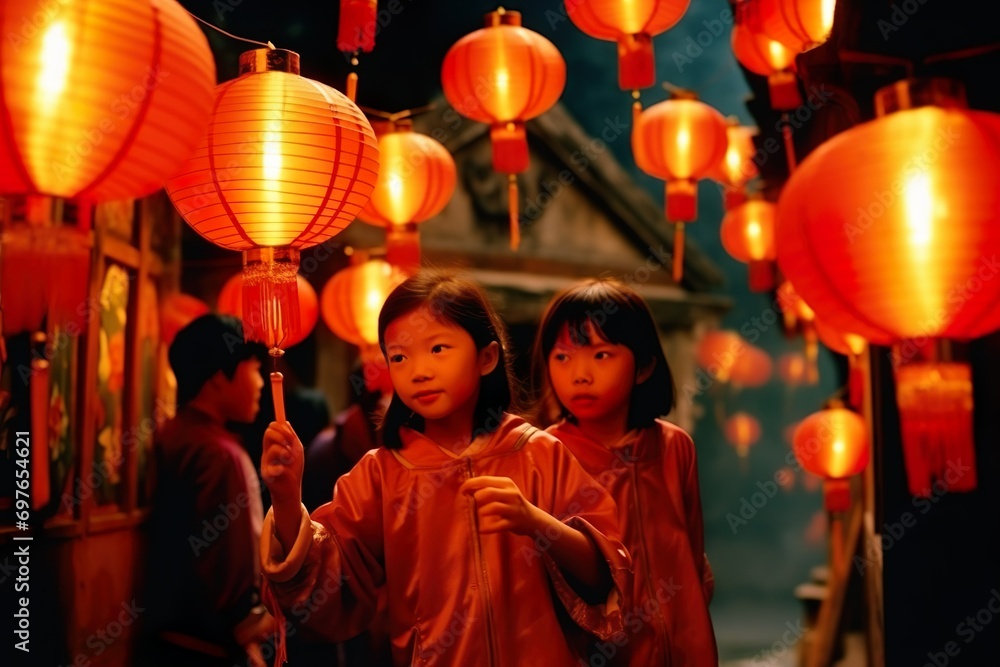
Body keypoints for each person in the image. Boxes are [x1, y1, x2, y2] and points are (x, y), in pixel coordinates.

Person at [258, 269, 632, 666]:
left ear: (486, 357)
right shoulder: (382, 473)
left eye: (437, 349)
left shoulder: (538, 453)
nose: (419, 371)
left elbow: (606, 578)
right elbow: (326, 594)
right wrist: (285, 496)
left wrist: (537, 523)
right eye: (399, 357)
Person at [533, 278, 718, 667]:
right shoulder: (546, 453)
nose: (579, 374)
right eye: (562, 357)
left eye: (601, 355)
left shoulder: (674, 447)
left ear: (644, 366)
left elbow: (694, 557)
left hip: (686, 644)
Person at [139, 314, 274, 667]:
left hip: (164, 639)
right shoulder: (222, 454)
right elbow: (235, 566)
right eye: (254, 369)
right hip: (209, 647)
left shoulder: (174, 435)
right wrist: (250, 634)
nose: (261, 382)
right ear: (218, 378)